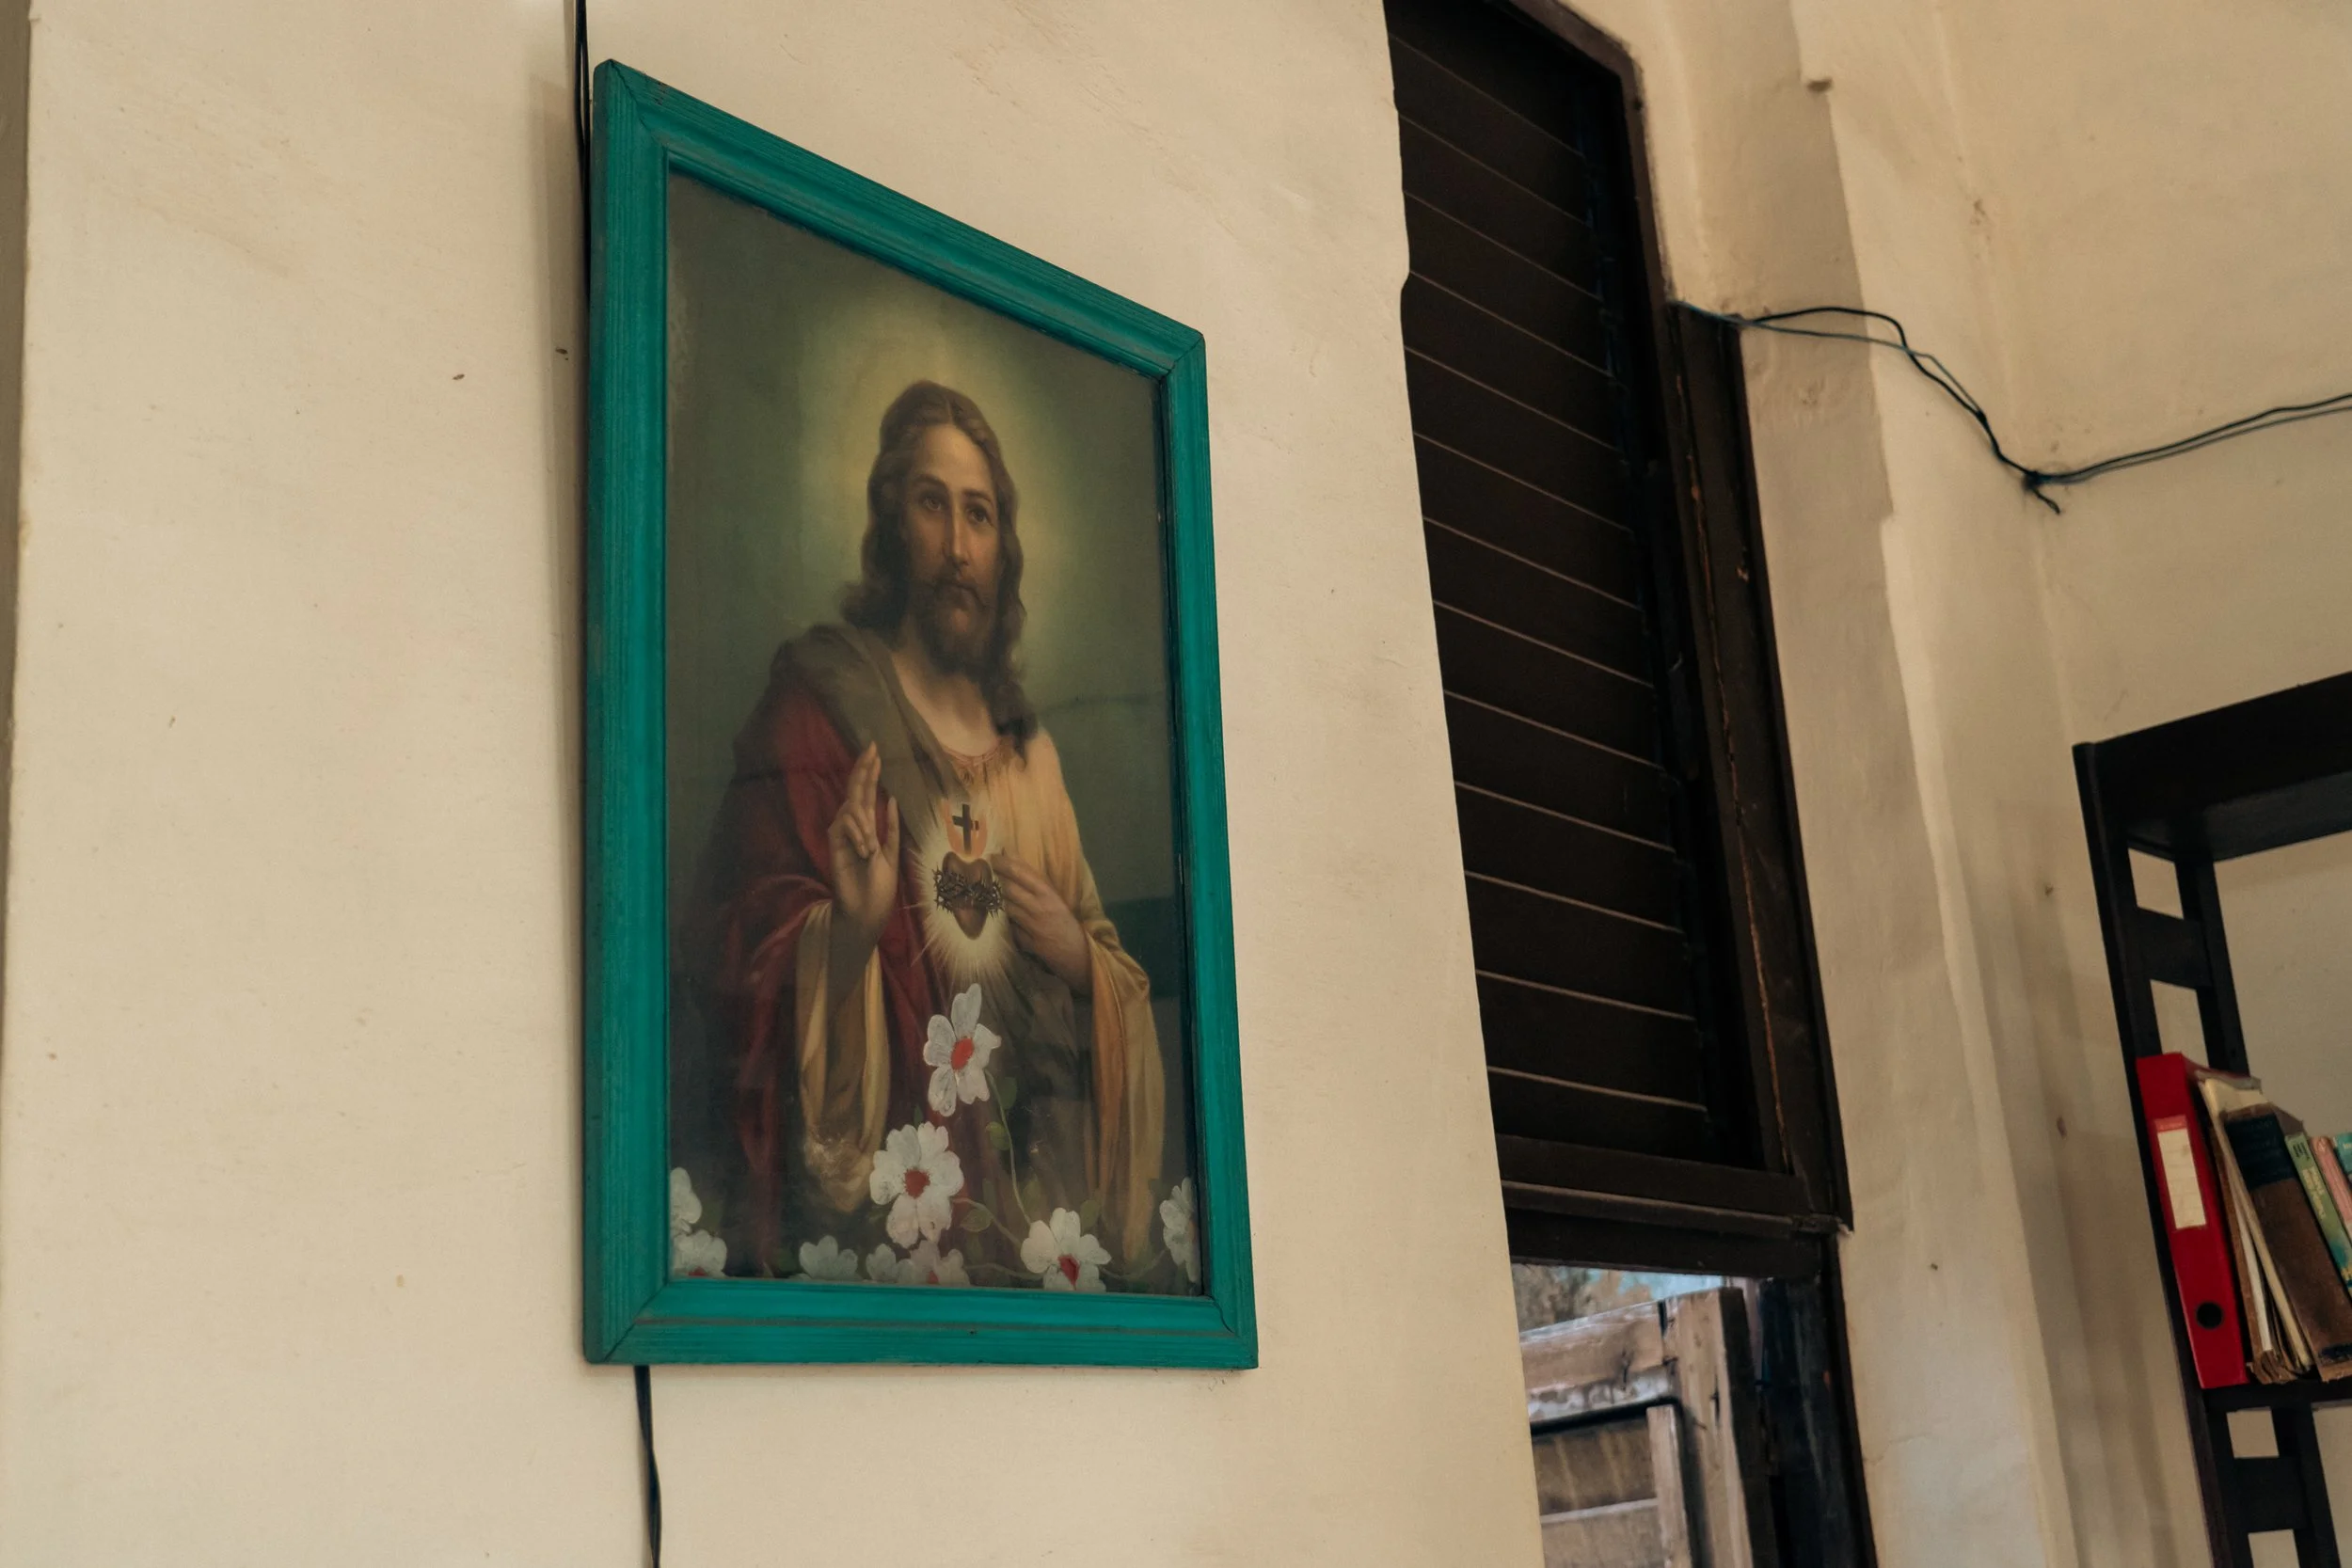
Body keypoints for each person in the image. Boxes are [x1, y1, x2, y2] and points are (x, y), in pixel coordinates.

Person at [679, 380, 1168, 1289]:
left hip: (1027, 1235)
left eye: (978, 515)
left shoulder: (1033, 758)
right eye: (931, 504)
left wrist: (1076, 957)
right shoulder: (820, 707)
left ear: (1003, 546)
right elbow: (724, 955)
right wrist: (849, 931)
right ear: (891, 523)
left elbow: (1117, 977)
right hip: (887, 1221)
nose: (956, 548)